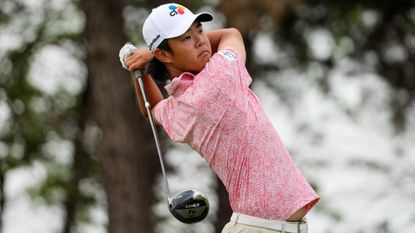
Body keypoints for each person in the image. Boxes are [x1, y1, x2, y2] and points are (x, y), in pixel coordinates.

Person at [120, 3, 319, 233]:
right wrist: (148, 57)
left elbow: (152, 109)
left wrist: (140, 71)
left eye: (200, 30)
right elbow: (231, 34)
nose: (200, 41)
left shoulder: (178, 109)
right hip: (262, 228)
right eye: (186, 38)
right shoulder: (219, 76)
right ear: (164, 54)